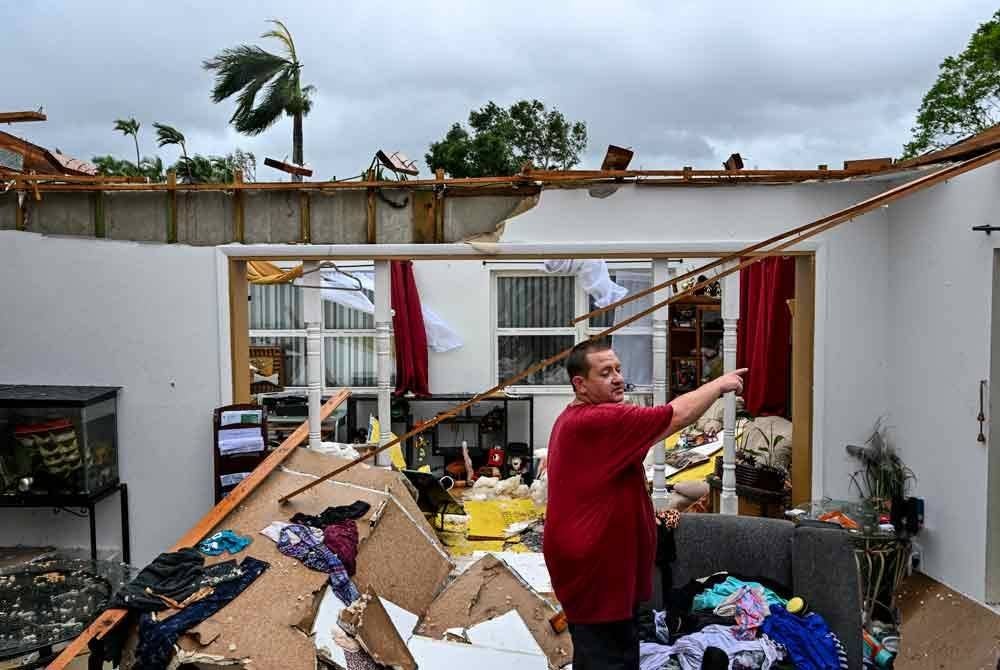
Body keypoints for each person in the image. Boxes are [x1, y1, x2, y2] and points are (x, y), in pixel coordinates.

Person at [543, 339, 747, 670]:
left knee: (604, 653)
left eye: (618, 370)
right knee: (608, 659)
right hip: (595, 569)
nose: (618, 378)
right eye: (605, 373)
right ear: (580, 384)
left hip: (601, 567)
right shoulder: (598, 421)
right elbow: (677, 415)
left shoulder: (586, 419)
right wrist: (720, 384)